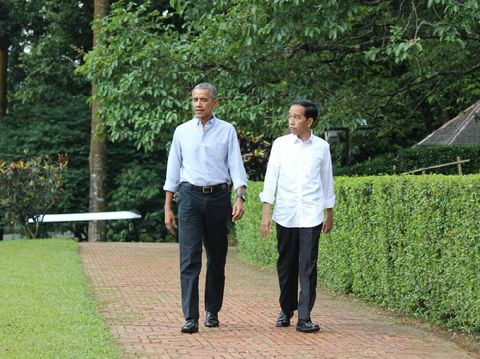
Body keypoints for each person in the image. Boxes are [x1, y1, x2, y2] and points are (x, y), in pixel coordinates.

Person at [163, 83, 248, 334]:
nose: (198, 104)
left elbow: (236, 165)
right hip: (189, 197)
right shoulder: (182, 132)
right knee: (189, 259)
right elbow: (172, 170)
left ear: (215, 103)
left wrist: (240, 197)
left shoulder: (227, 131)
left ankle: (212, 310)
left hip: (218, 198)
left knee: (217, 257)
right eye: (194, 100)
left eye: (203, 100)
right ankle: (190, 317)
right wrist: (168, 206)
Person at [259, 99, 335, 333]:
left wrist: (329, 212)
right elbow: (271, 177)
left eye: (297, 117)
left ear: (309, 121)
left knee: (308, 267)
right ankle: (286, 309)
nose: (292, 120)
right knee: (286, 264)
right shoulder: (280, 145)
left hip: (312, 214)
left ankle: (305, 317)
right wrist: (266, 211)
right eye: (290, 116)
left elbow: (327, 180)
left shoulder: (322, 147)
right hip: (286, 214)